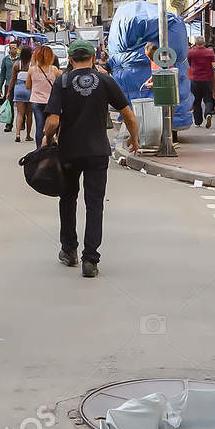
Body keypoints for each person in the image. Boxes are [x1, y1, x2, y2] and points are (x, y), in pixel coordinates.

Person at [44, 40, 139, 278]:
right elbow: (127, 114)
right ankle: (90, 260)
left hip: (69, 151)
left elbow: (53, 121)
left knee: (67, 199)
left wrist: (48, 138)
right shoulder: (106, 81)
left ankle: (69, 250)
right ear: (94, 56)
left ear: (70, 58)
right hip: (97, 151)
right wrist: (134, 138)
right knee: (94, 204)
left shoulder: (62, 81)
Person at [29, 44, 58, 147]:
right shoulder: (54, 70)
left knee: (39, 127)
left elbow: (28, 86)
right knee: (51, 127)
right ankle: (49, 147)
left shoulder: (32, 70)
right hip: (51, 102)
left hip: (36, 102)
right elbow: (58, 86)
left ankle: (38, 150)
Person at [188, 36, 215, 129]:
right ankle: (208, 113)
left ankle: (198, 121)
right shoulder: (210, 52)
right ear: (204, 43)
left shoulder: (191, 52)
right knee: (208, 98)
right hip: (207, 78)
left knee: (196, 101)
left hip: (195, 78)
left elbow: (188, 63)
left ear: (195, 43)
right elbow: (214, 65)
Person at [6, 44, 34, 144]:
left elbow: (12, 80)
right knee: (29, 114)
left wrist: (9, 92)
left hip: (19, 90)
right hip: (30, 90)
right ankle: (28, 135)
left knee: (20, 113)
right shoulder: (33, 65)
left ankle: (18, 134)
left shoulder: (17, 64)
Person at [0, 43, 14, 131]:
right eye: (11, 48)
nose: (13, 50)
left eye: (14, 48)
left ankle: (22, 121)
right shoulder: (5, 59)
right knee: (9, 105)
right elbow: (2, 74)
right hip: (8, 85)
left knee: (21, 106)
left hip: (19, 85)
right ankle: (9, 124)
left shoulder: (21, 59)